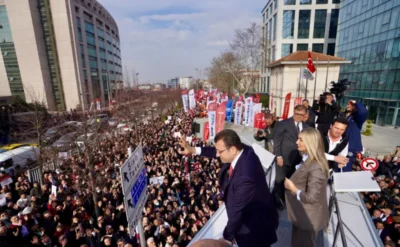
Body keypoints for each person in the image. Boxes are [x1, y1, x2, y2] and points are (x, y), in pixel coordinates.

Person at [178, 129, 279, 247]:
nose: (218, 154)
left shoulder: (245, 177)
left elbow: (238, 212)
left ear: (233, 150)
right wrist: (193, 150)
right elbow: (215, 152)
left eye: (220, 152)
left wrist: (226, 238)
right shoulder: (245, 150)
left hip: (254, 229)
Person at [284, 128, 329, 247]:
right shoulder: (308, 159)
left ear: (310, 142)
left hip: (308, 218)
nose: (296, 142)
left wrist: (293, 188)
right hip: (302, 214)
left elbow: (311, 198)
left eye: (301, 140)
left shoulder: (316, 167)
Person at [273, 105, 309, 209]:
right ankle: (278, 202)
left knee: (294, 181)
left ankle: (289, 200)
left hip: (300, 159)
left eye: (301, 115)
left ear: (305, 115)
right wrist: (278, 156)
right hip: (284, 158)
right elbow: (277, 141)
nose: (298, 116)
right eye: (296, 114)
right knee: (280, 180)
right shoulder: (283, 124)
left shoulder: (307, 127)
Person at [341, 100, 368, 170]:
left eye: (351, 105)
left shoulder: (357, 118)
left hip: (351, 146)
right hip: (340, 143)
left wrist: (356, 102)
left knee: (346, 164)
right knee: (338, 163)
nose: (348, 105)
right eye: (348, 104)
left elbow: (363, 112)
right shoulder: (342, 115)